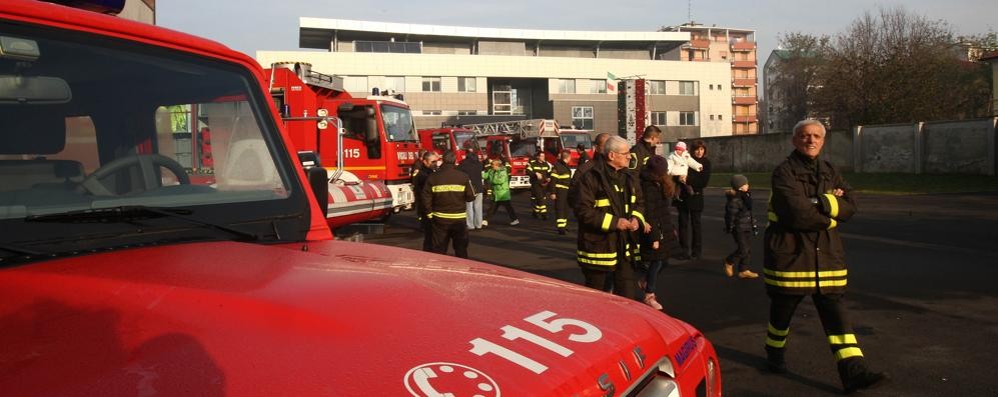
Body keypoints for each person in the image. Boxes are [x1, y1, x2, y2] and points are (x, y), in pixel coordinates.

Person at [763, 120, 886, 393]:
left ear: (823, 141)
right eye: (805, 136)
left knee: (838, 320)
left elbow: (851, 206)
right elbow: (797, 213)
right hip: (791, 258)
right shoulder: (784, 172)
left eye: (817, 136)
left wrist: (820, 201)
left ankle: (855, 372)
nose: (811, 140)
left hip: (826, 259)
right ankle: (774, 352)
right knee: (781, 317)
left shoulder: (831, 170)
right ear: (794, 140)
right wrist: (831, 211)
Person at [574, 135, 647, 300]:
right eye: (625, 153)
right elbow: (582, 211)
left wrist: (636, 219)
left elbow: (640, 203)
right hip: (599, 249)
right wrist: (615, 223)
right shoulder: (590, 177)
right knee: (596, 298)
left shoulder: (630, 178)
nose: (630, 156)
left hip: (625, 247)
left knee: (627, 297)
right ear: (612, 155)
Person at [637, 155, 676, 310]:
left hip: (663, 227)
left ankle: (645, 281)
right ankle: (649, 294)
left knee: (663, 260)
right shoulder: (648, 186)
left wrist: (670, 228)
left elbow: (662, 210)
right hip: (655, 230)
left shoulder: (659, 183)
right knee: (657, 261)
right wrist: (654, 237)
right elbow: (650, 213)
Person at [421, 150, 476, 258]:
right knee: (461, 250)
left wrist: (429, 214)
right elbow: (471, 197)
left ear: (442, 161)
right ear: (455, 161)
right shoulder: (463, 176)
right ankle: (462, 271)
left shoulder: (433, 177)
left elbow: (425, 197)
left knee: (439, 250)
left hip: (439, 219)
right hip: (459, 219)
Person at [677, 140, 710, 260]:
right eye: (697, 149)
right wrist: (681, 179)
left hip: (696, 196)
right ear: (692, 150)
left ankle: (697, 251)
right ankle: (684, 250)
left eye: (701, 149)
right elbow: (677, 174)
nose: (699, 152)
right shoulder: (686, 159)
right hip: (683, 196)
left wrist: (687, 179)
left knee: (696, 224)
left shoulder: (705, 163)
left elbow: (703, 182)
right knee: (683, 224)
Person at [723, 174, 759, 279]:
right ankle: (729, 261)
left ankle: (743, 270)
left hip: (747, 226)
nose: (748, 185)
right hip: (738, 227)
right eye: (745, 184)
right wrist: (730, 227)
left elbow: (750, 213)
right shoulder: (735, 200)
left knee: (748, 250)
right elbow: (730, 215)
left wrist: (754, 224)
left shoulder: (746, 196)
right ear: (740, 187)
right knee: (743, 249)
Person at [412, 150, 439, 252]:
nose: (435, 164)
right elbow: (424, 192)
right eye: (432, 162)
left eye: (436, 161)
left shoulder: (432, 172)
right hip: (426, 207)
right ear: (425, 162)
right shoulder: (422, 174)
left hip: (433, 206)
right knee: (429, 234)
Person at [483, 158, 519, 227]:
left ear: (497, 165)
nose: (491, 166)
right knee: (492, 208)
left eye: (492, 165)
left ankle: (515, 220)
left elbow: (500, 181)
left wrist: (491, 181)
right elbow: (485, 175)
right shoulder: (491, 171)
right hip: (496, 194)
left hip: (502, 194)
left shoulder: (503, 171)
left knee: (508, 208)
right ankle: (485, 220)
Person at [457, 147, 485, 230]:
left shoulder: (463, 164)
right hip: (479, 187)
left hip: (469, 188)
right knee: (478, 207)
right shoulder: (479, 164)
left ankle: (470, 225)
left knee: (469, 207)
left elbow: (459, 173)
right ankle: (479, 224)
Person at [547, 150, 573, 235]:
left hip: (566, 191)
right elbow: (553, 181)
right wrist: (553, 193)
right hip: (560, 191)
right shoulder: (557, 166)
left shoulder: (565, 166)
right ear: (568, 157)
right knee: (560, 209)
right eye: (570, 157)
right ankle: (560, 228)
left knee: (566, 209)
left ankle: (564, 226)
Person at [526, 151, 552, 219]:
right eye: (542, 156)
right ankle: (544, 213)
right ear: (538, 157)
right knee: (540, 198)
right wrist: (535, 174)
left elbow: (549, 172)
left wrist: (549, 178)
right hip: (536, 184)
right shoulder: (532, 164)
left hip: (544, 184)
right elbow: (527, 171)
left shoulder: (546, 164)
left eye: (544, 156)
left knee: (541, 198)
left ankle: (535, 212)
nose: (543, 157)